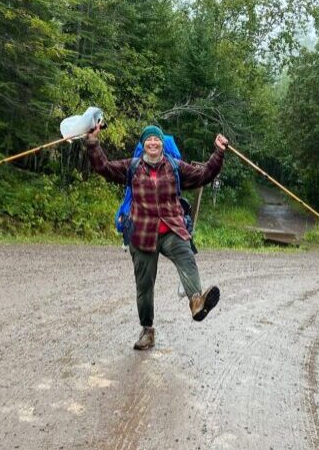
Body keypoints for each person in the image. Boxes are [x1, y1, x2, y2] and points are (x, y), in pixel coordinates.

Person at [87, 122, 228, 350]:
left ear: (162, 144)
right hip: (142, 234)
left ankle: (196, 302)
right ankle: (147, 331)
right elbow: (103, 167)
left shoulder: (174, 167)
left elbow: (203, 175)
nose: (153, 142)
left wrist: (218, 153)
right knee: (144, 286)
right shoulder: (132, 167)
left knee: (185, 254)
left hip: (171, 229)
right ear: (144, 145)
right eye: (149, 139)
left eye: (157, 139)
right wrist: (93, 142)